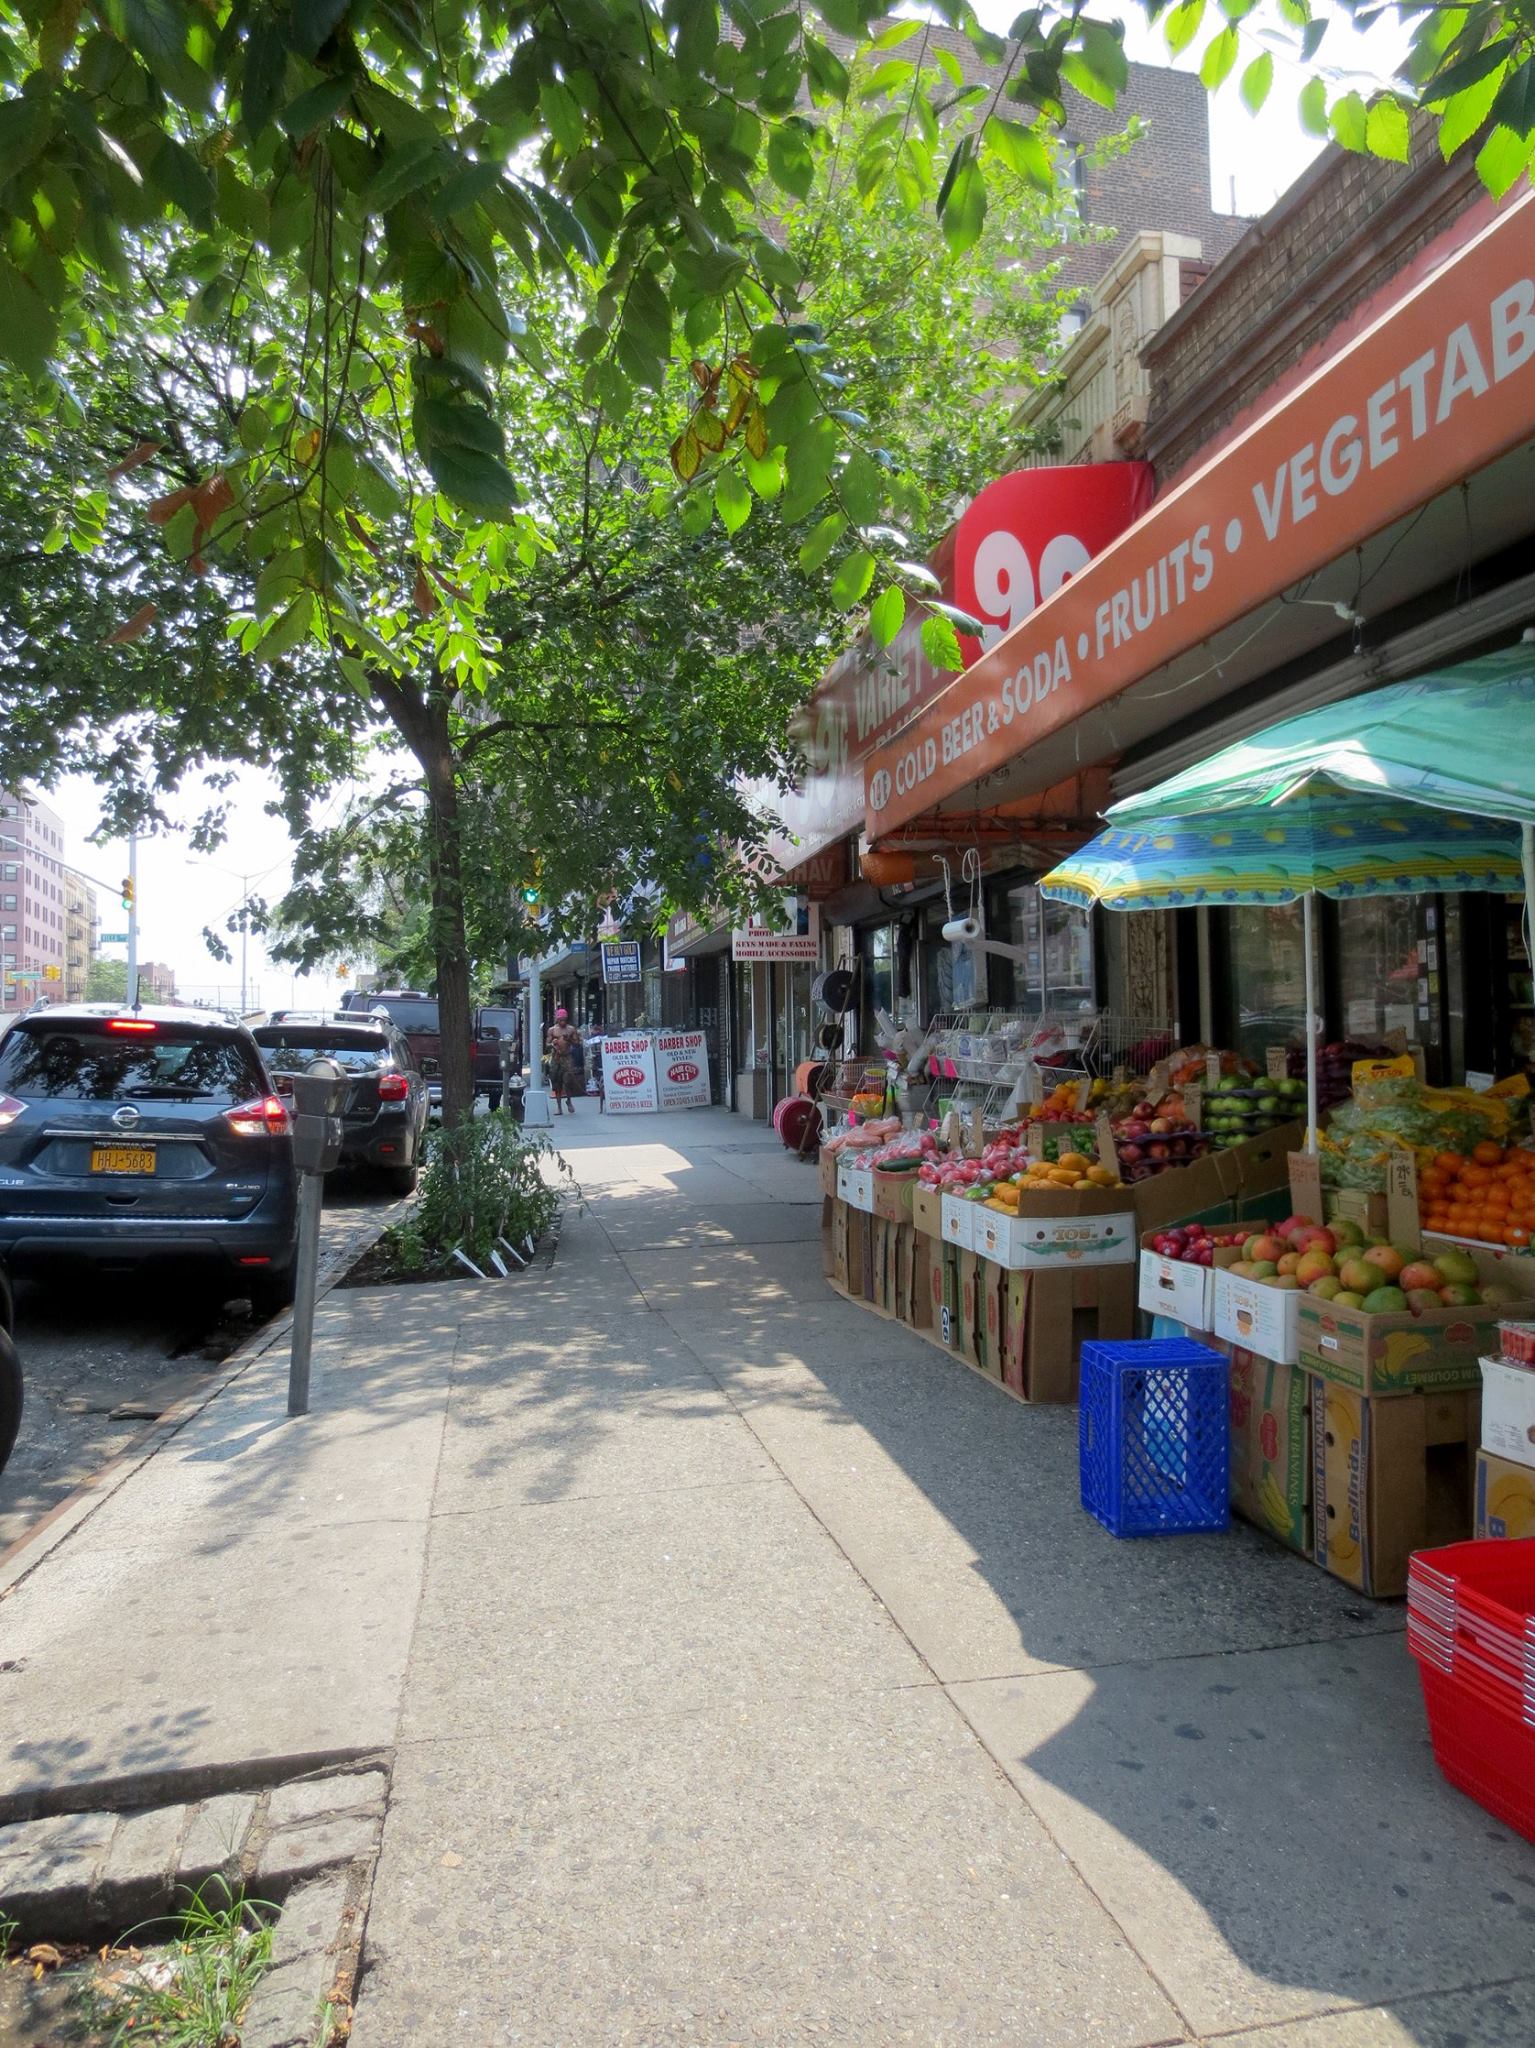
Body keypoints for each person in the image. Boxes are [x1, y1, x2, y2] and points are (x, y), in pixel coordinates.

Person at [546, 1008, 584, 1114]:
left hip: (567, 1058)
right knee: (556, 1082)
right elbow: (547, 1045)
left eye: (564, 1019)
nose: (562, 1021)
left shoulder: (571, 1029)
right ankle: (559, 1107)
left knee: (568, 1081)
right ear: (557, 1019)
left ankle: (569, 1100)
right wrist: (552, 1043)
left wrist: (569, 1040)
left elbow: (577, 1044)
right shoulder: (552, 1030)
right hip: (556, 1058)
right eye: (560, 1019)